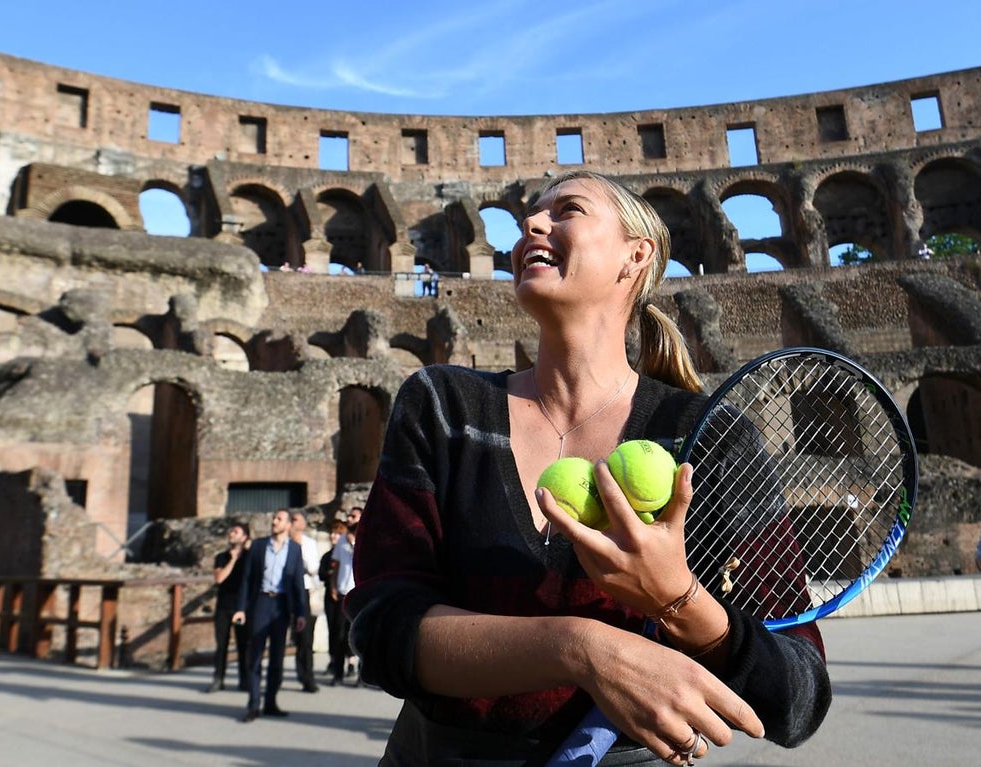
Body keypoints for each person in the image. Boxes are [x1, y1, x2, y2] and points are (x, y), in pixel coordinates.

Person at [345, 170, 832, 765]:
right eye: (530, 215)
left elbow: (799, 698)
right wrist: (582, 647)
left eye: (567, 209)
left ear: (636, 255)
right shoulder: (444, 407)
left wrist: (678, 599)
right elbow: (382, 628)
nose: (531, 224)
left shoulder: (707, 437)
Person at [233, 509, 308, 722]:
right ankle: (254, 704)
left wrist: (300, 613)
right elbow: (247, 579)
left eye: (279, 519)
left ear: (287, 525)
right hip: (261, 602)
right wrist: (241, 608)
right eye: (274, 518)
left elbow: (298, 584)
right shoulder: (258, 546)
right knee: (255, 654)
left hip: (282, 606)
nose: (274, 522)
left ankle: (270, 702)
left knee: (277, 657)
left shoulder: (294, 549)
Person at [207, 521, 250, 693]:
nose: (232, 534)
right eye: (231, 531)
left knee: (243, 645)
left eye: (236, 531)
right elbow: (219, 578)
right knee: (221, 645)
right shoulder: (221, 557)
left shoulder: (250, 556)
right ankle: (218, 679)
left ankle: (245, 680)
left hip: (242, 606)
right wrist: (232, 560)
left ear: (244, 537)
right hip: (224, 606)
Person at [288, 510, 320, 693]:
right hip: (284, 591)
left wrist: (299, 549)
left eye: (296, 519)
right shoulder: (282, 541)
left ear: (303, 524)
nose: (292, 522)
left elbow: (313, 568)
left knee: (305, 637)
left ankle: (307, 676)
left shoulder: (308, 543)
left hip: (304, 591)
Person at [329, 506, 362, 686]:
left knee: (360, 635)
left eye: (354, 516)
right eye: (348, 516)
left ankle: (360, 675)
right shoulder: (341, 539)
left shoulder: (367, 536)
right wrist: (333, 585)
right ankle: (338, 673)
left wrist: (354, 543)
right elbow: (336, 566)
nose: (349, 519)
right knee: (339, 635)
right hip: (343, 594)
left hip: (359, 594)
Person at [319, 519, 347, 679]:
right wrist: (330, 574)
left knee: (343, 630)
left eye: (337, 533)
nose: (333, 536)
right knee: (332, 630)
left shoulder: (347, 553)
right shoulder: (327, 556)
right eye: (332, 533)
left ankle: (346, 662)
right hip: (330, 597)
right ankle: (333, 660)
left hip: (343, 595)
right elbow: (322, 574)